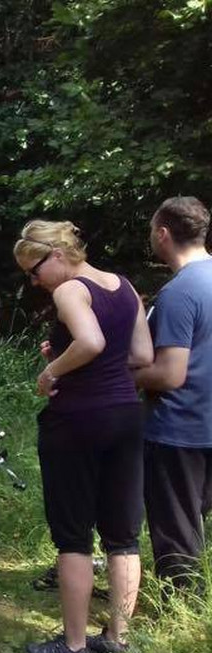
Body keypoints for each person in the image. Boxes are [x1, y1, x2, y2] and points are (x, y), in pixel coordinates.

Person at [14, 221, 153, 653]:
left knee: (73, 536)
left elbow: (90, 342)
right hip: (125, 417)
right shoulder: (124, 286)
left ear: (56, 255)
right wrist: (71, 355)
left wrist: (51, 370)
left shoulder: (70, 290)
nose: (34, 282)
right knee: (123, 535)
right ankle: (116, 638)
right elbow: (141, 357)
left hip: (76, 421)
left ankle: (74, 648)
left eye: (34, 271)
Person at [133, 196, 212, 592]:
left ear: (163, 234)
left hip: (179, 430)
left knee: (177, 529)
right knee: (198, 521)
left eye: (152, 230)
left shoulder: (180, 291)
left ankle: (178, 608)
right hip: (208, 421)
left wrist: (125, 373)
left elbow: (169, 374)